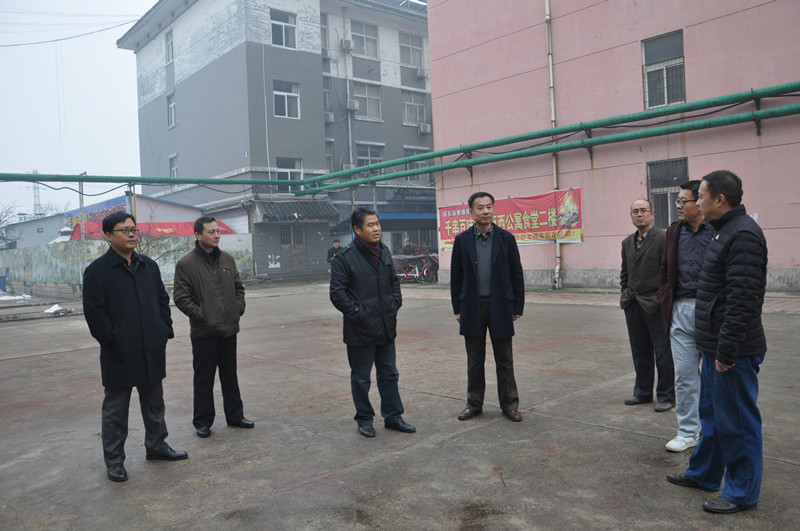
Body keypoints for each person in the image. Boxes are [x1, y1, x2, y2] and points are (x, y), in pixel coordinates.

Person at [666, 170, 768, 514]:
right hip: (715, 345)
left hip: (733, 350)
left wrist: (727, 352)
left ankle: (742, 493)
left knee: (738, 421)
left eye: (701, 196)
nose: (697, 202)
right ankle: (705, 474)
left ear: (719, 200)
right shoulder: (723, 231)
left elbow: (742, 301)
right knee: (711, 414)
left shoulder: (743, 235)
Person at [83, 212, 188, 483]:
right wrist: (113, 340)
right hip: (120, 352)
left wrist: (163, 330)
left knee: (154, 404)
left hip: (151, 347)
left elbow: (162, 300)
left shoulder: (148, 266)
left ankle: (157, 446)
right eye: (124, 230)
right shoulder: (98, 271)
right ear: (108, 235)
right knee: (115, 411)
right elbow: (95, 314)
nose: (131, 234)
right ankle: (115, 461)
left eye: (134, 229)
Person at [330, 207, 416, 438]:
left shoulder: (384, 252)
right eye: (370, 225)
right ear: (357, 229)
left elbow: (393, 283)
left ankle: (393, 416)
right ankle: (365, 419)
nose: (376, 228)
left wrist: (394, 304)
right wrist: (359, 314)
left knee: (390, 374)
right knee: (361, 379)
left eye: (377, 223)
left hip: (386, 326)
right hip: (360, 330)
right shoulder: (344, 258)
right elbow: (337, 294)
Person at [173, 216, 253, 438]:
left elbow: (239, 288)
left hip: (229, 329)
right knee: (204, 379)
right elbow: (180, 297)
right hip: (204, 332)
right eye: (211, 232)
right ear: (197, 235)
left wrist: (238, 308)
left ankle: (235, 416)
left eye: (218, 231)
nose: (217, 235)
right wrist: (202, 315)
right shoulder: (186, 264)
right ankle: (203, 421)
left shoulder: (227, 259)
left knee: (230, 376)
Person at [450, 191, 525, 422]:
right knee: (474, 360)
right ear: (471, 212)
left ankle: (510, 405)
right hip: (472, 306)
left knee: (505, 359)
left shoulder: (506, 238)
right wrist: (457, 308)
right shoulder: (462, 240)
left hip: (501, 305)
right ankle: (474, 404)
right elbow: (456, 276)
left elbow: (516, 273)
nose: (486, 211)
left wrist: (518, 305)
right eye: (480, 207)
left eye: (489, 207)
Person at [657, 181, 713, 452]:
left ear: (699, 203)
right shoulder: (674, 231)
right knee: (684, 375)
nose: (677, 205)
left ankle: (713, 431)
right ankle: (688, 431)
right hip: (680, 309)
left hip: (711, 310)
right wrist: (665, 296)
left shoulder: (718, 230)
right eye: (677, 201)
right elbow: (665, 269)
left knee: (714, 376)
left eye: (683, 201)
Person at [620, 198, 675, 411]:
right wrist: (625, 294)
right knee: (640, 351)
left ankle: (666, 396)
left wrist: (663, 299)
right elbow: (625, 273)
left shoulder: (663, 238)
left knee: (663, 352)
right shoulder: (627, 242)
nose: (639, 214)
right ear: (631, 216)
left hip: (656, 304)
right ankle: (642, 392)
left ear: (652, 214)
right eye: (635, 211)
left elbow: (669, 272)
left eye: (643, 210)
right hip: (633, 303)